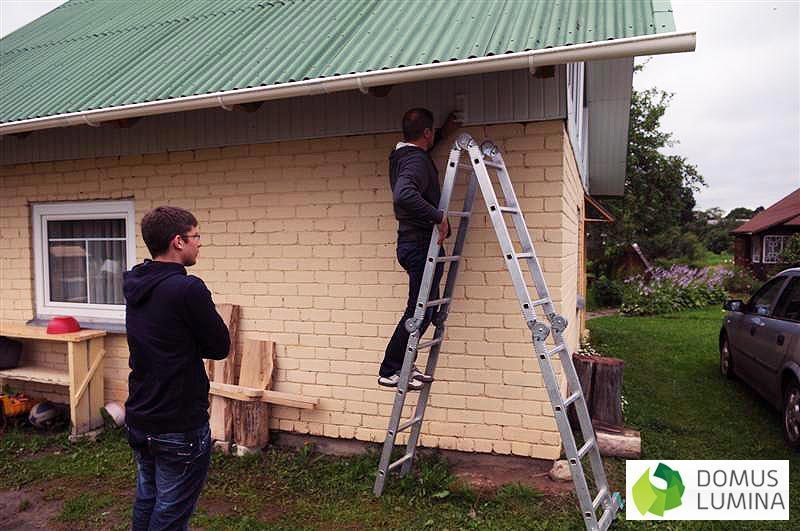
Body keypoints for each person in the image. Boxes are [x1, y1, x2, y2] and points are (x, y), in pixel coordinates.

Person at [123, 206, 230, 530]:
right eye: (196, 236)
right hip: (178, 422)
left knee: (148, 497)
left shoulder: (135, 284)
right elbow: (219, 346)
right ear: (178, 241)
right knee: (169, 513)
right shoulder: (187, 288)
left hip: (141, 416)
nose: (200, 244)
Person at [378, 108, 458, 390]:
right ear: (426, 132)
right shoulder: (415, 161)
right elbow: (404, 193)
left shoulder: (402, 155)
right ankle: (390, 369)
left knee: (424, 308)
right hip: (420, 245)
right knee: (417, 311)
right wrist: (438, 217)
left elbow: (418, 156)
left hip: (413, 244)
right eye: (432, 132)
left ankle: (404, 365)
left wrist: (442, 133)